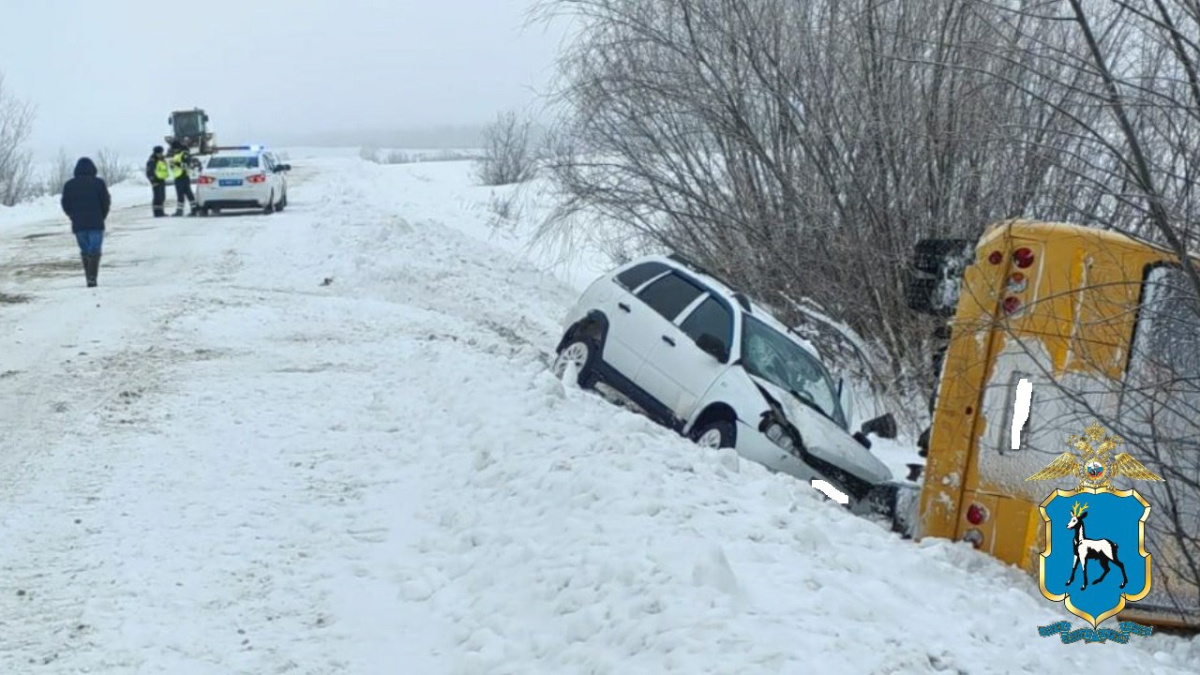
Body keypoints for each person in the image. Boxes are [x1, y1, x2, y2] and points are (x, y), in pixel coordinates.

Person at [60, 157, 112, 288]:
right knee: (95, 250)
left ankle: (88, 277)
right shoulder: (99, 183)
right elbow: (105, 202)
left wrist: (72, 216)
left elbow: (65, 203)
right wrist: (102, 216)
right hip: (96, 222)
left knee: (85, 250)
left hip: (79, 224)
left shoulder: (69, 185)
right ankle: (92, 278)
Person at [168, 141, 197, 216]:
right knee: (180, 194)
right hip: (178, 177)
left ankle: (193, 209)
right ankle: (180, 210)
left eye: (175, 149)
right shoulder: (176, 155)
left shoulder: (184, 154)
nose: (174, 150)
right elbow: (175, 167)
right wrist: (172, 165)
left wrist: (176, 164)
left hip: (183, 176)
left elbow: (187, 165)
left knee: (187, 194)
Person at [145, 145, 169, 217]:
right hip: (156, 180)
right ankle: (157, 212)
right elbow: (149, 172)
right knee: (157, 197)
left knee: (162, 196)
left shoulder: (162, 159)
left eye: (161, 153)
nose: (161, 154)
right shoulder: (152, 160)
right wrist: (153, 181)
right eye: (159, 153)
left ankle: (161, 212)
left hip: (161, 179)